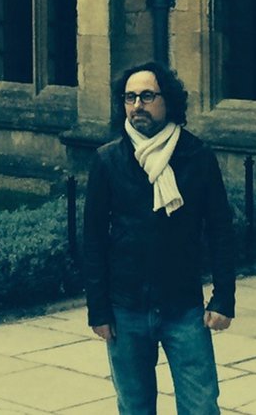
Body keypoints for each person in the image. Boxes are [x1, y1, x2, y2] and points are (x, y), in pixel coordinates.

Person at [84, 61, 236, 415]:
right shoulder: (108, 160)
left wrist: (224, 297)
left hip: (183, 307)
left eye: (147, 96)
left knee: (200, 406)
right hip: (125, 309)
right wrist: (98, 308)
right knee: (134, 407)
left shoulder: (196, 156)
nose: (137, 105)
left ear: (167, 100)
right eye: (130, 97)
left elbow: (220, 230)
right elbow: (93, 239)